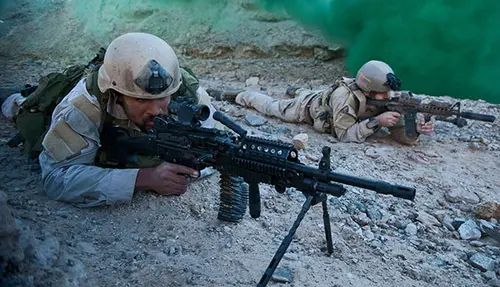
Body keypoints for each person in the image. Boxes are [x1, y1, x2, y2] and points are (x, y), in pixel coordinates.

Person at [36, 32, 219, 207]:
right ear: (117, 95)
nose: (156, 111)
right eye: (141, 100)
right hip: (48, 109)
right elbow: (56, 178)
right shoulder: (83, 105)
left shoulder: (189, 93)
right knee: (25, 113)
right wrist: (145, 178)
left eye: (163, 98)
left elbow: (214, 149)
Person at [209, 60, 434, 145]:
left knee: (308, 92)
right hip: (306, 108)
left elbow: (400, 135)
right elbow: (343, 134)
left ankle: (297, 90)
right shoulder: (345, 99)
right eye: (382, 95)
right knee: (271, 106)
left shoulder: (383, 95)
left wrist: (415, 129)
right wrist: (376, 121)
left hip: (323, 96)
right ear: (368, 90)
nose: (388, 99)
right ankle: (238, 95)